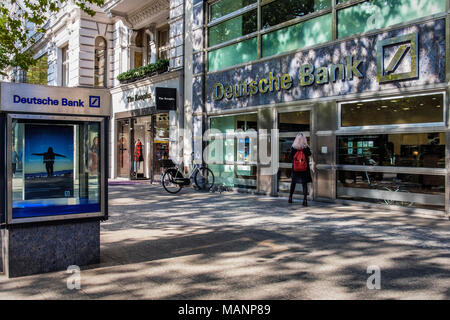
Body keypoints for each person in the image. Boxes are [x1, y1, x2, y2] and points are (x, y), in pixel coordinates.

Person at [289, 133, 312, 206]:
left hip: (295, 169)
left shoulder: (293, 147)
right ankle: (305, 200)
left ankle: (290, 198)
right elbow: (309, 154)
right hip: (304, 169)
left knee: (293, 183)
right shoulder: (305, 147)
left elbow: (290, 157)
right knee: (304, 184)